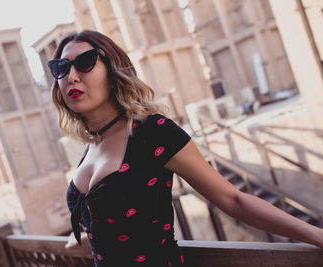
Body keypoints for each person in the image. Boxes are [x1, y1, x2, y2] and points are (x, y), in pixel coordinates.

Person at [48, 30, 323, 266]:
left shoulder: (152, 133)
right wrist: (83, 231)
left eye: (85, 63)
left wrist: (315, 235)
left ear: (113, 70)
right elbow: (107, 212)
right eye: (61, 67)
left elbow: (233, 200)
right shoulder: (90, 148)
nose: (71, 76)